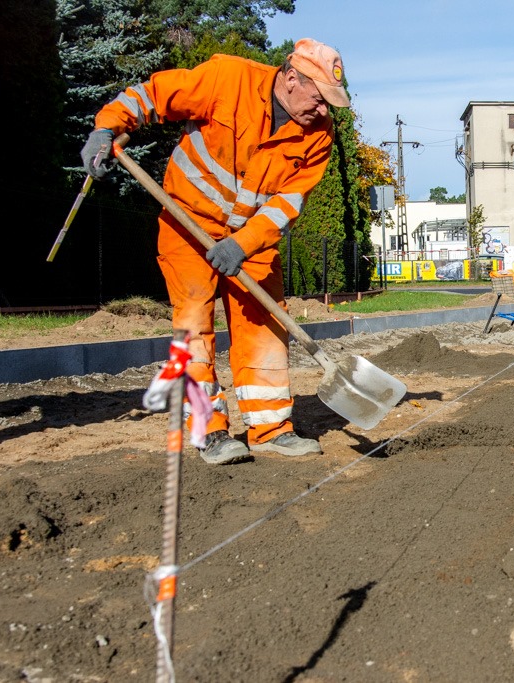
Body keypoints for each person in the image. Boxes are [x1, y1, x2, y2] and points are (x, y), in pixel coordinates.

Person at [81, 39, 351, 465]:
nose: (322, 111)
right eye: (319, 99)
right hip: (187, 221)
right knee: (192, 326)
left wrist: (241, 245)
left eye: (329, 104)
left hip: (250, 239)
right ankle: (209, 432)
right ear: (291, 78)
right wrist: (106, 127)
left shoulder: (319, 135)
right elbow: (154, 95)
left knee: (264, 324)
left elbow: (287, 205)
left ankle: (271, 428)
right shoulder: (229, 78)